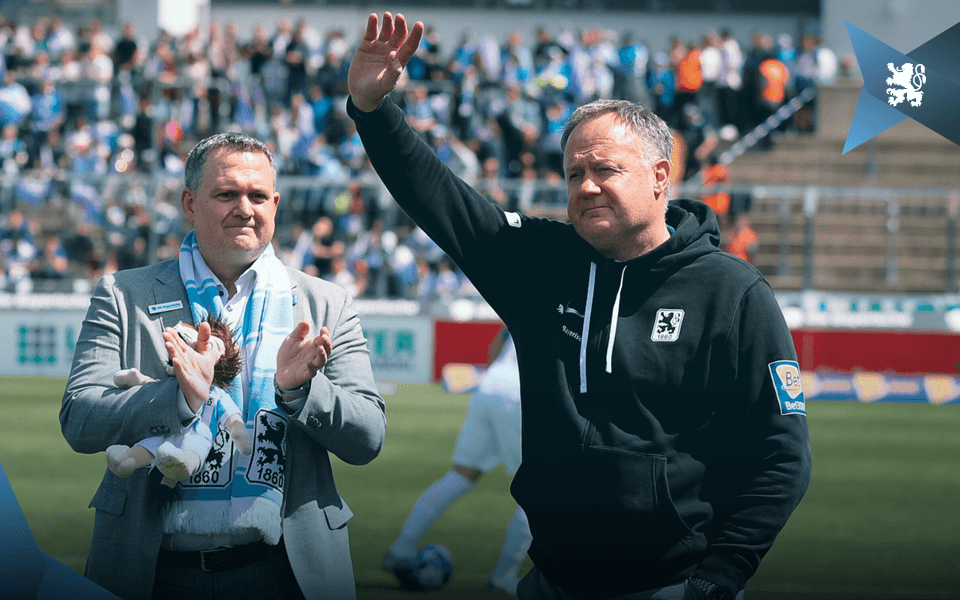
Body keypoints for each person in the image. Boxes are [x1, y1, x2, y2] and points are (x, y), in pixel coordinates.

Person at [346, 13, 811, 600]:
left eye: (605, 170)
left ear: (660, 176)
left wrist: (720, 577)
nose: (586, 186)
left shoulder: (733, 292)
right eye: (574, 173)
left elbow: (782, 453)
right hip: (551, 583)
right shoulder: (541, 264)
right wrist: (372, 109)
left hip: (676, 586)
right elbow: (441, 200)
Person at [60, 132, 385, 600]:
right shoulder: (123, 294)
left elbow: (368, 436)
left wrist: (301, 392)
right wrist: (177, 398)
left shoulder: (326, 303)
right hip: (153, 569)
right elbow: (79, 418)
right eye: (227, 194)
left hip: (288, 571)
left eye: (258, 196)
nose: (245, 208)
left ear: (275, 203)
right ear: (190, 203)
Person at [381, 328, 531, 595]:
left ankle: (400, 550)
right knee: (538, 490)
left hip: (491, 386)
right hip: (522, 393)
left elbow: (497, 344)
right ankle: (504, 576)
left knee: (462, 474)